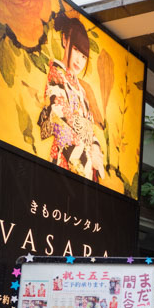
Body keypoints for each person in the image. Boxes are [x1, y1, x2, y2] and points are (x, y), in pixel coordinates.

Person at [38, 12, 105, 182]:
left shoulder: (80, 89)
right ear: (65, 40)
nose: (79, 60)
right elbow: (60, 121)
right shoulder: (56, 76)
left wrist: (95, 150)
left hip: (85, 160)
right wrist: (86, 161)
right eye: (76, 50)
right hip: (67, 158)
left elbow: (89, 127)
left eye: (84, 56)